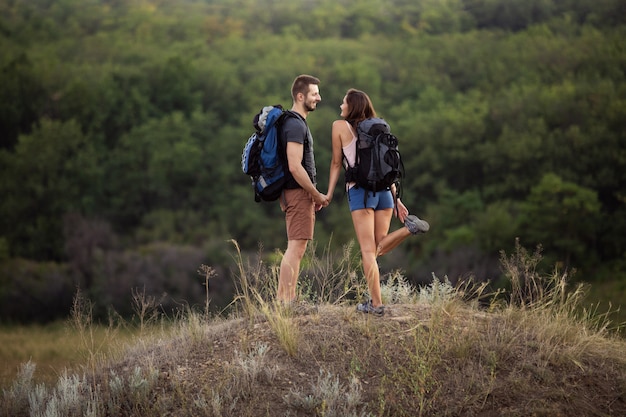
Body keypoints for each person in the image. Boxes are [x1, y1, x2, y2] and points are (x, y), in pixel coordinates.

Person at [326, 88, 429, 316]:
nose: (341, 106)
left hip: (360, 192)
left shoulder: (339, 127)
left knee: (367, 251)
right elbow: (384, 167)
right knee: (378, 246)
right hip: (384, 192)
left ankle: (376, 304)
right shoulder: (377, 127)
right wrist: (396, 198)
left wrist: (329, 193)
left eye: (343, 102)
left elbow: (336, 163)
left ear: (352, 106)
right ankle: (409, 229)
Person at [277, 74, 329, 305]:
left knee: (297, 246)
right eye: (314, 93)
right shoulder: (295, 124)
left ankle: (288, 299)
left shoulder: (293, 122)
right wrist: (315, 193)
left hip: (295, 194)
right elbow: (295, 167)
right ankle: (285, 301)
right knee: (296, 247)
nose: (319, 97)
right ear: (300, 96)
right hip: (297, 193)